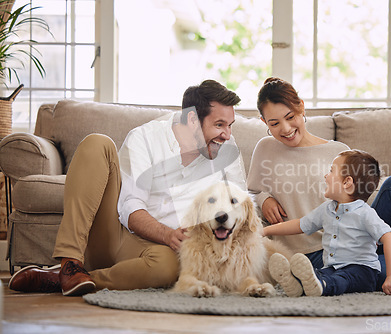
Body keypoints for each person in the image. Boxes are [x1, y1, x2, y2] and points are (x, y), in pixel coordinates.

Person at [8, 79, 246, 296]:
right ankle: (69, 263)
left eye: (230, 125)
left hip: (161, 252)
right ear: (192, 120)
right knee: (97, 143)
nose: (227, 134)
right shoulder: (146, 138)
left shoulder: (227, 149)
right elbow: (131, 208)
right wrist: (167, 234)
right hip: (117, 234)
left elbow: (241, 206)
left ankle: (68, 279)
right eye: (219, 125)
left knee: (168, 269)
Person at [247, 77, 391, 300]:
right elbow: (248, 194)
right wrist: (264, 198)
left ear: (301, 106)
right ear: (265, 123)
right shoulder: (266, 149)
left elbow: (359, 205)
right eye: (274, 123)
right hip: (313, 256)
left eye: (290, 117)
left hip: (358, 246)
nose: (285, 128)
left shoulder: (339, 151)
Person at [264, 150, 391, 297]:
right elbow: (300, 225)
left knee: (341, 279)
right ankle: (297, 283)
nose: (325, 175)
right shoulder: (327, 209)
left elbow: (389, 238)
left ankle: (323, 285)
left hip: (362, 271)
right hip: (333, 267)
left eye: (331, 171)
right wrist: (266, 231)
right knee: (318, 273)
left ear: (347, 182)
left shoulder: (365, 213)